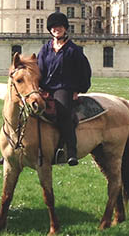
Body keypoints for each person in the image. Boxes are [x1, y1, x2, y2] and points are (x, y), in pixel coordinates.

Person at [37, 11, 91, 166]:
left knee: (63, 112)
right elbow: (40, 69)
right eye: (53, 27)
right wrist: (38, 87)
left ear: (65, 29)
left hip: (63, 88)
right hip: (45, 87)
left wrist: (78, 90)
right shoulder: (45, 49)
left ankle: (71, 151)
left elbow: (84, 72)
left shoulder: (74, 50)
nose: (56, 29)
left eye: (59, 27)